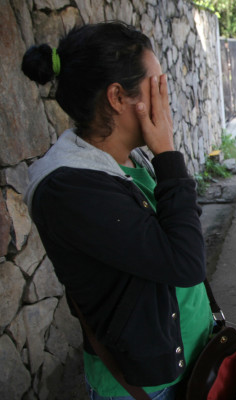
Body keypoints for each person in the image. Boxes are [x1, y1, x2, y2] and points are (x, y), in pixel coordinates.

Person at [21, 22, 213, 400]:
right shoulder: (69, 189)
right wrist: (169, 156)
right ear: (117, 97)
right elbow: (186, 262)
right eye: (156, 84)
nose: (165, 96)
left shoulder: (124, 158)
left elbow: (177, 232)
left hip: (192, 359)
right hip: (148, 387)